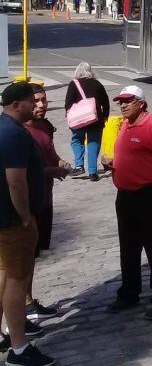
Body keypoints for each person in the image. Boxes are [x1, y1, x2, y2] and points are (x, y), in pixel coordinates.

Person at [102, 85, 152, 320]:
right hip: (125, 196)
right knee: (128, 247)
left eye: (128, 101)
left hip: (149, 195)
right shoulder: (124, 124)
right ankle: (129, 292)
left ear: (141, 103)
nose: (123, 105)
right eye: (120, 102)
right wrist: (111, 163)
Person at [0, 81, 56, 366]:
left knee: (6, 275)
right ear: (15, 105)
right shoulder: (12, 134)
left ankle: (6, 336)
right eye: (29, 101)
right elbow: (15, 182)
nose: (35, 105)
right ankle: (19, 349)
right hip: (12, 221)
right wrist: (25, 216)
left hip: (6, 219)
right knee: (17, 281)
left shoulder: (6, 128)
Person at [24, 86, 68, 323]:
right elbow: (21, 173)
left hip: (45, 200)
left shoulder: (44, 126)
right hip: (29, 204)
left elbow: (50, 154)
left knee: (34, 256)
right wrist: (51, 170)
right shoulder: (22, 132)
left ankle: (28, 301)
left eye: (44, 100)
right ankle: (25, 304)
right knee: (24, 258)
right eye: (37, 101)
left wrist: (59, 161)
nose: (42, 105)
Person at [64, 62, 110, 182]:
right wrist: (105, 116)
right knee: (93, 144)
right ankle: (93, 172)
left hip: (78, 120)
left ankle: (79, 165)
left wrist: (69, 115)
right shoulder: (97, 84)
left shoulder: (73, 84)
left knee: (76, 140)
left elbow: (68, 103)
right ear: (90, 71)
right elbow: (106, 102)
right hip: (95, 119)